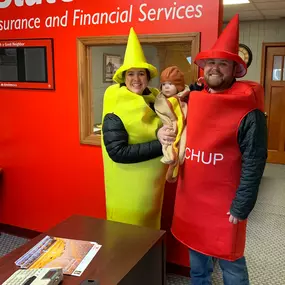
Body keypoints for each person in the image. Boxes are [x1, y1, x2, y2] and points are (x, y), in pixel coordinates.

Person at [170, 14, 268, 285]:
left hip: (227, 205)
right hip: (193, 201)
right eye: (210, 63)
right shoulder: (195, 99)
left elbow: (255, 161)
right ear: (203, 69)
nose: (214, 68)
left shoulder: (249, 110)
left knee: (231, 265)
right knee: (198, 264)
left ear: (235, 70)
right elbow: (181, 135)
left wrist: (242, 206)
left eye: (222, 63)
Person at [101, 27, 175, 230]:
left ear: (147, 77)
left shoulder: (153, 100)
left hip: (151, 188)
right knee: (128, 237)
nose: (136, 79)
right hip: (128, 191)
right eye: (131, 74)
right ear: (124, 78)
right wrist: (159, 142)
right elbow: (118, 152)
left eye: (141, 73)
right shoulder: (115, 108)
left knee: (149, 233)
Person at [154, 66, 189, 183]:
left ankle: (175, 159)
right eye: (164, 84)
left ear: (179, 86)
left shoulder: (184, 100)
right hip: (166, 130)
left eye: (170, 84)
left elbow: (182, 118)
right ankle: (171, 156)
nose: (166, 87)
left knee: (181, 147)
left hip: (183, 129)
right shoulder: (159, 100)